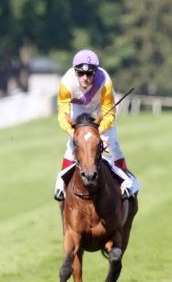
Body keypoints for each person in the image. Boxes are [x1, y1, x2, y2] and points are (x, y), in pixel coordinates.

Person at [54, 49, 140, 201]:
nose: (85, 78)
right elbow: (63, 114)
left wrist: (99, 132)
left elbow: (109, 112)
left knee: (112, 142)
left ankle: (127, 180)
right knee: (73, 144)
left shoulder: (105, 82)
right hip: (78, 107)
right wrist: (72, 132)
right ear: (75, 72)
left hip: (101, 108)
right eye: (80, 73)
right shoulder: (66, 83)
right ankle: (61, 185)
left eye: (89, 74)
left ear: (96, 72)